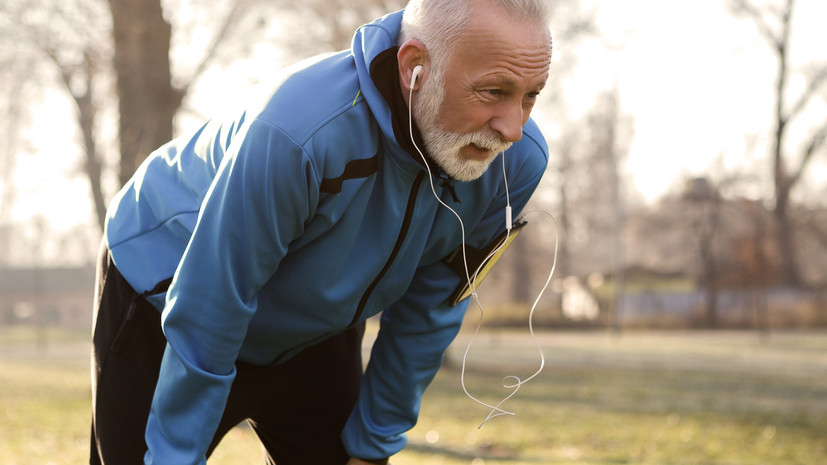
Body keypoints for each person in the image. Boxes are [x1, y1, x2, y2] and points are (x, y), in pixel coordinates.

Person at [90, 0, 553, 463]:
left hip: (314, 330)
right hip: (169, 296)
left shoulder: (517, 162)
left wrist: (373, 445)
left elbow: (429, 309)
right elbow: (212, 304)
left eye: (531, 95)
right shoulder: (298, 131)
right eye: (493, 92)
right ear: (416, 67)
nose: (512, 128)